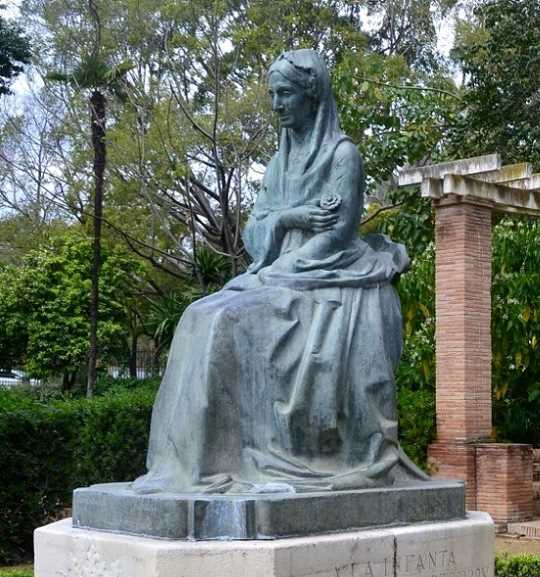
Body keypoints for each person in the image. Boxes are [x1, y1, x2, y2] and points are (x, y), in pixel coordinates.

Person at [133, 49, 423, 494]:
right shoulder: (278, 163)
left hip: (324, 273)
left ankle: (213, 464)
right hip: (277, 271)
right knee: (197, 315)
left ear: (312, 96)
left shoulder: (344, 156)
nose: (276, 104)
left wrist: (284, 268)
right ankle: (184, 467)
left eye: (285, 94)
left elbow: (340, 232)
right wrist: (292, 217)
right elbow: (255, 230)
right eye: (272, 94)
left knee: (224, 319)